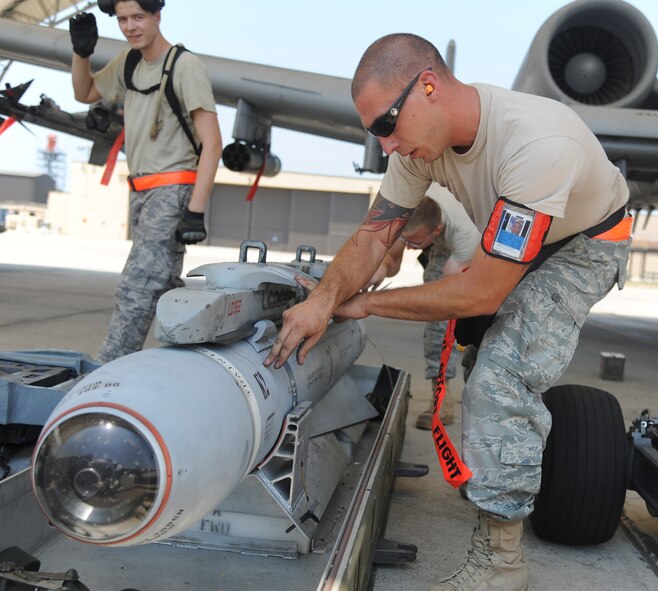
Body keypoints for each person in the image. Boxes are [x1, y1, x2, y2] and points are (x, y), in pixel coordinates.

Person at [264, 33, 632, 591]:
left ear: (428, 87)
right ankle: (498, 470)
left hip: (584, 245)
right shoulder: (419, 146)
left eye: (386, 126)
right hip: (518, 239)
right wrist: (323, 299)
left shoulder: (536, 144)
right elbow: (373, 236)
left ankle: (502, 565)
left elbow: (480, 293)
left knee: (500, 375)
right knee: (482, 351)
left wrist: (363, 304)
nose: (384, 145)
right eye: (374, 133)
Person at [69, 0, 222, 363]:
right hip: (141, 192)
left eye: (138, 17)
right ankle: (189, 361)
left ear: (157, 16)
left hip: (172, 191)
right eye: (122, 20)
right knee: (162, 285)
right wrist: (81, 53)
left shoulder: (185, 67)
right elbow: (84, 93)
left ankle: (106, 373)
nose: (130, 26)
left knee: (137, 289)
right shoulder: (130, 62)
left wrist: (195, 211)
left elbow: (213, 142)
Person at [366, 185, 479, 430]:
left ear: (436, 231)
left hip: (480, 244)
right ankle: (441, 401)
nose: (408, 248)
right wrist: (378, 270)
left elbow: (445, 299)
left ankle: (472, 401)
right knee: (436, 330)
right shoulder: (407, 207)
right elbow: (393, 257)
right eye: (406, 240)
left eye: (414, 243)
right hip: (441, 231)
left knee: (449, 323)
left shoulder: (466, 235)